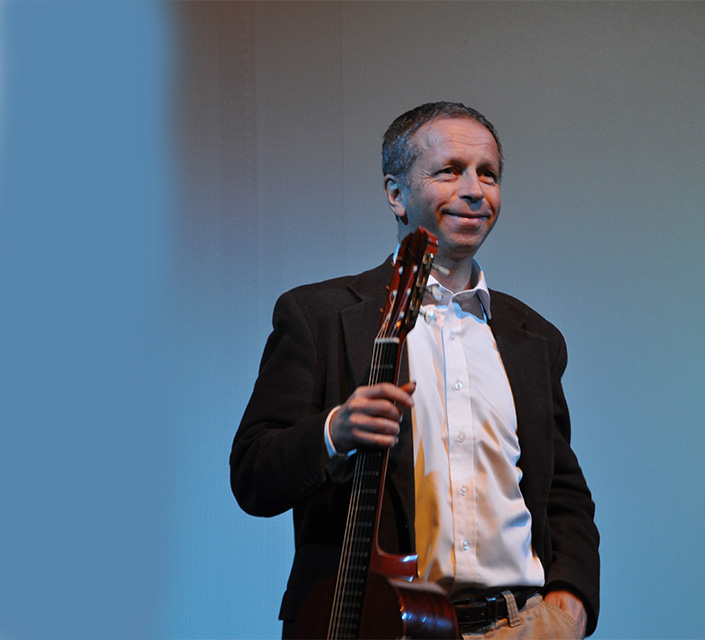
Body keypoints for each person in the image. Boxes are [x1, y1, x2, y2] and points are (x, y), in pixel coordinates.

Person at [231, 102, 600, 639]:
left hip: (522, 627)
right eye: (449, 171)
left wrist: (569, 607)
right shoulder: (319, 317)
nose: (475, 190)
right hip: (379, 624)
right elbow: (253, 473)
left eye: (488, 174)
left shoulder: (535, 338)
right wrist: (334, 432)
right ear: (396, 193)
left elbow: (562, 491)